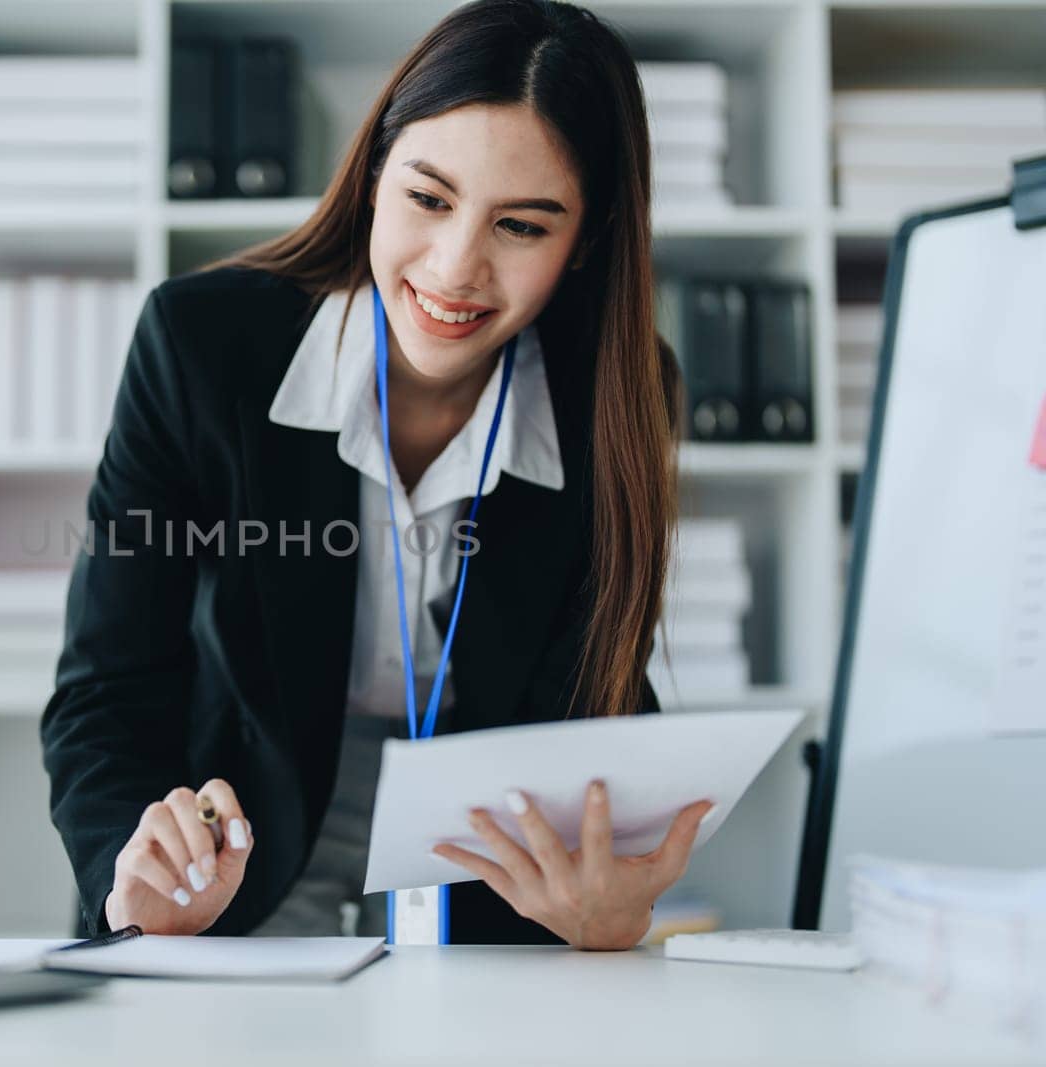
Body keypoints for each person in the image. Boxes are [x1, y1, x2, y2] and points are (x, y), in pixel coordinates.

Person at [40, 0, 712, 949]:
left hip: (487, 882)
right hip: (233, 862)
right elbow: (109, 683)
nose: (454, 268)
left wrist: (604, 914)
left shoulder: (623, 395)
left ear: (585, 241)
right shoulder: (201, 348)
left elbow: (597, 696)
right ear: (371, 176)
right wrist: (130, 865)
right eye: (428, 199)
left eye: (521, 226)